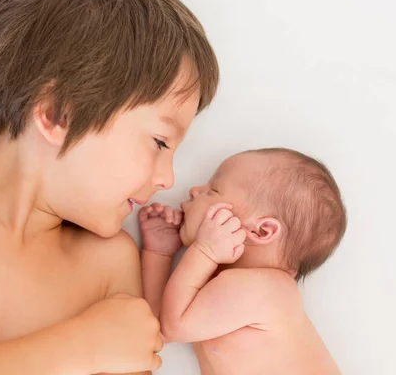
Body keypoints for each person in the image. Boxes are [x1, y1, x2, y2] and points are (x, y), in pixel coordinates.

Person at [0, 0, 218, 374]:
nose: (167, 178)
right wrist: (77, 349)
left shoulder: (108, 264)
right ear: (57, 114)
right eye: (160, 142)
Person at [140, 148, 346, 374]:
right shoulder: (219, 286)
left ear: (262, 231)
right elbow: (156, 331)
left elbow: (173, 327)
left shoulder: (268, 290)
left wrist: (205, 251)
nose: (194, 190)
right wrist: (159, 253)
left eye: (214, 190)